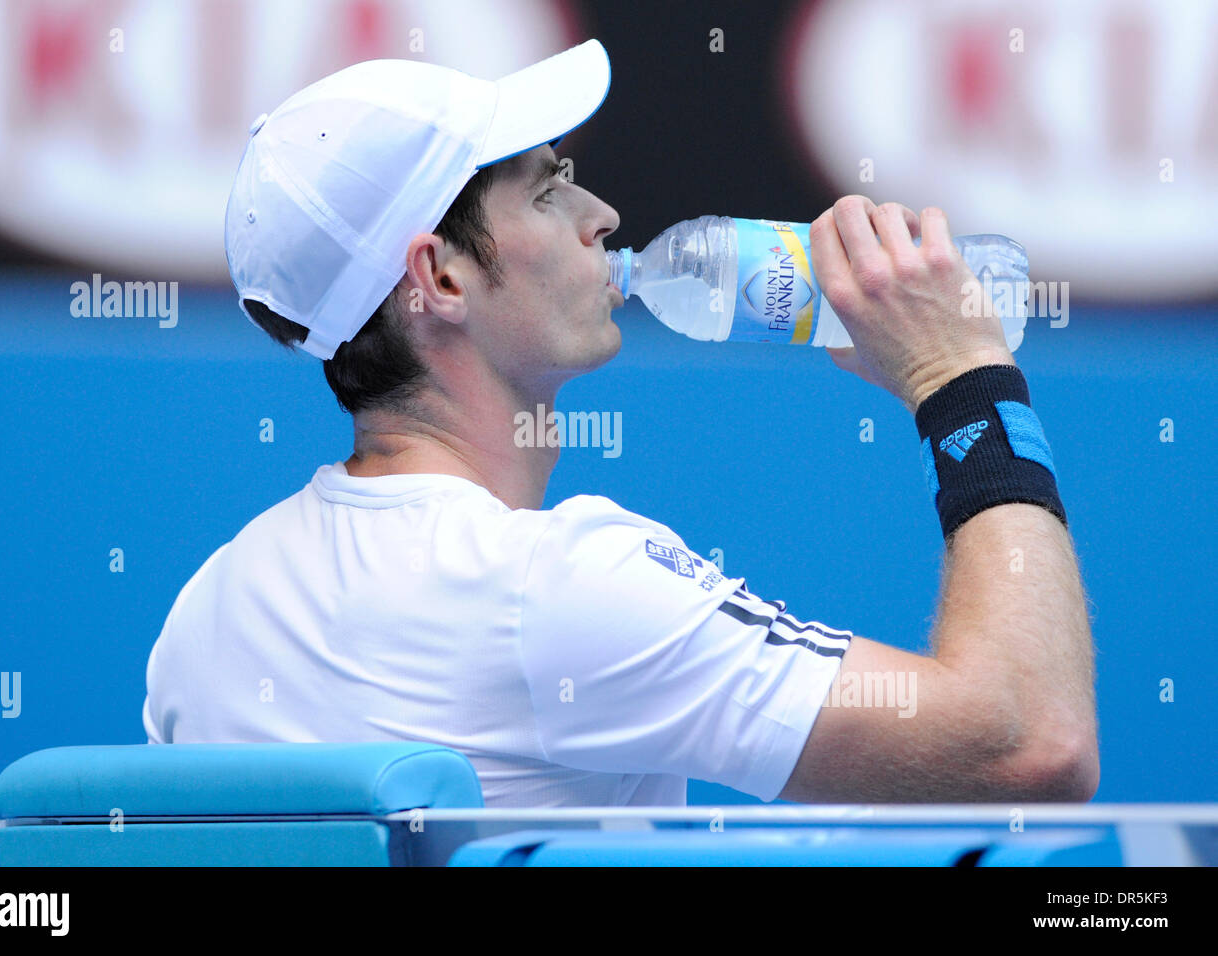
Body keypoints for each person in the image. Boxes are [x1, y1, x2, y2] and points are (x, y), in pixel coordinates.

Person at [142, 39, 1098, 806]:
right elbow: (1031, 743)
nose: (600, 213)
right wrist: (961, 376)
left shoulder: (206, 615)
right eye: (548, 188)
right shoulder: (559, 587)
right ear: (439, 277)